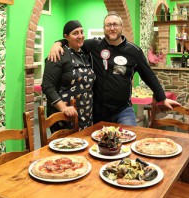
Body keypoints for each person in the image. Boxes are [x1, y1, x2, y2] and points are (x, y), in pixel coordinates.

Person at [48, 11, 180, 126]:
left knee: (129, 143)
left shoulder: (134, 51)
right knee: (99, 148)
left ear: (122, 27)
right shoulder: (94, 45)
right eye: (108, 25)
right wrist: (57, 43)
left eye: (115, 24)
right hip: (98, 111)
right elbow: (74, 40)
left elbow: (148, 75)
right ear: (104, 28)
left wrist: (162, 97)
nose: (112, 28)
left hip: (123, 110)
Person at [42, 20, 95, 131]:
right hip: (65, 116)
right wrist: (64, 108)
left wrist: (58, 42)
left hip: (86, 114)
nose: (80, 36)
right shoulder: (57, 55)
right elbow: (47, 86)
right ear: (66, 36)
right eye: (75, 33)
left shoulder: (85, 53)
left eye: (81, 32)